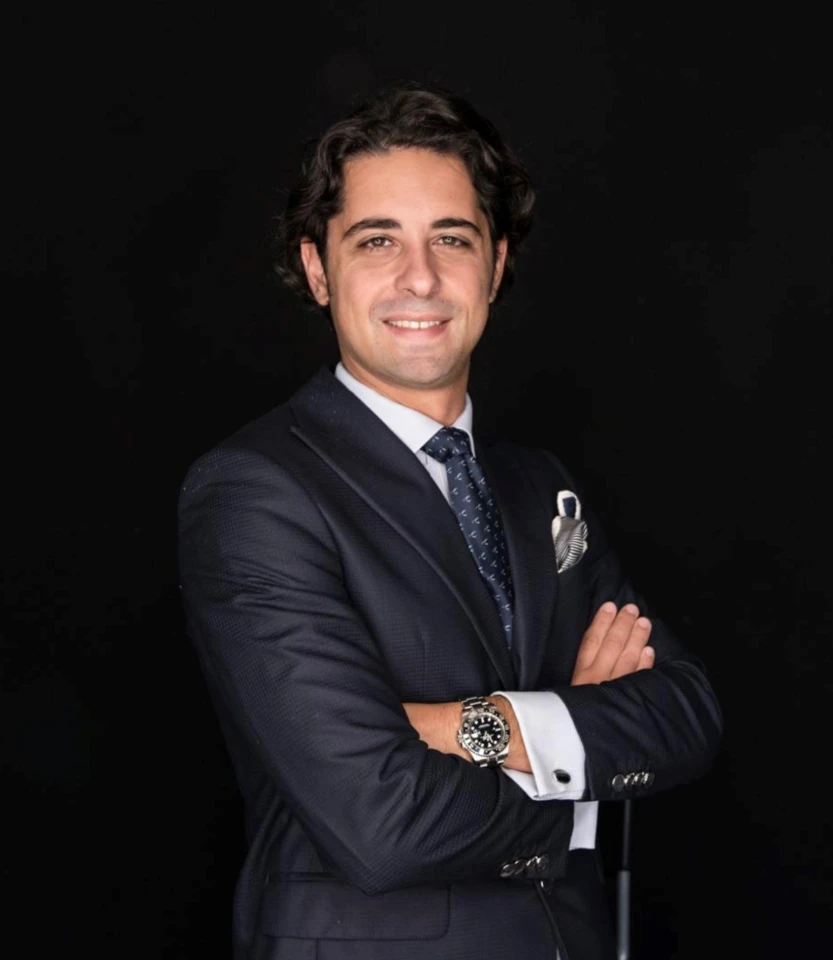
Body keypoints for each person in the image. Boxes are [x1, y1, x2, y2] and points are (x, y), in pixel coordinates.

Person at [178, 83, 722, 960]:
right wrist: (578, 765)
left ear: (495, 265)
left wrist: (470, 724)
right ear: (317, 269)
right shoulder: (255, 491)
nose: (420, 277)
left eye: (452, 239)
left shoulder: (537, 485)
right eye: (376, 240)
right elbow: (382, 822)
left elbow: (685, 713)